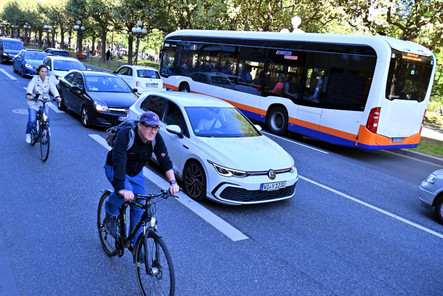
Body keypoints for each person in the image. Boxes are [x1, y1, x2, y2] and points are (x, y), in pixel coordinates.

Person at [103, 111, 180, 254]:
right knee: (123, 194)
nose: (153, 131)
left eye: (156, 128)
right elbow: (119, 161)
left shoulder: (156, 138)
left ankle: (135, 243)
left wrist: (173, 182)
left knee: (140, 204)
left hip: (136, 172)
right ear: (140, 126)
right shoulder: (126, 135)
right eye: (149, 127)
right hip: (115, 168)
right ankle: (110, 212)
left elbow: (165, 160)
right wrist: (122, 189)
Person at [25, 64, 61, 144]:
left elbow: (53, 88)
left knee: (47, 115)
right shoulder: (35, 78)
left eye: (45, 72)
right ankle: (28, 133)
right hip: (34, 100)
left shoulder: (48, 79)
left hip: (44, 101)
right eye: (42, 71)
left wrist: (57, 96)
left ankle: (47, 129)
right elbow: (30, 86)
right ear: (38, 72)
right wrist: (29, 93)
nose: (44, 73)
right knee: (32, 120)